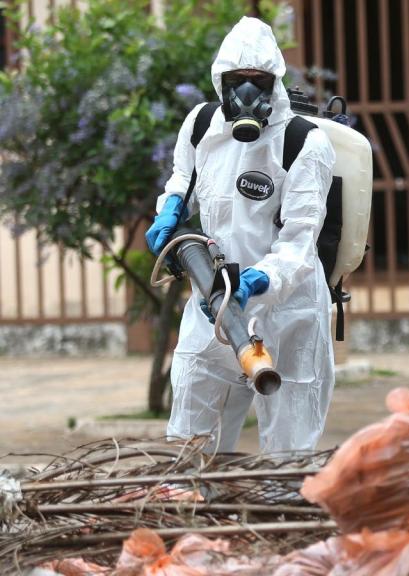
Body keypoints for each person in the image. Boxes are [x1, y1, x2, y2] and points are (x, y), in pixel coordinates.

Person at [145, 17, 336, 453]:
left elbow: (300, 241)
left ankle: (282, 513)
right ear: (220, 81)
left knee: (288, 451)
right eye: (237, 81)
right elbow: (182, 181)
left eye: (258, 81)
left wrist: (256, 282)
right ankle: (193, 512)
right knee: (191, 440)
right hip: (212, 303)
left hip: (289, 314)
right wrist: (169, 213)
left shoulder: (304, 143)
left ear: (275, 83)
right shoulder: (202, 126)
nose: (247, 93)